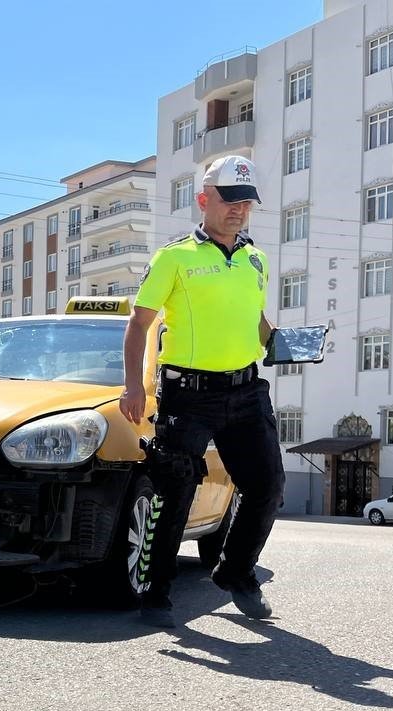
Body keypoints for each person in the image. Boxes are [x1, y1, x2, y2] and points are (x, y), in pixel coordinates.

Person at [119, 155, 285, 629]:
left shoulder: (256, 259)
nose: (238, 211)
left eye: (246, 203)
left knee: (267, 487)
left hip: (246, 389)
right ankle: (156, 593)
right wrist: (135, 385)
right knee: (176, 491)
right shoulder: (175, 257)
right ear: (203, 200)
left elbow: (253, 318)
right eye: (229, 200)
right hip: (188, 394)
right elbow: (139, 324)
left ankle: (234, 572)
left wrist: (278, 341)